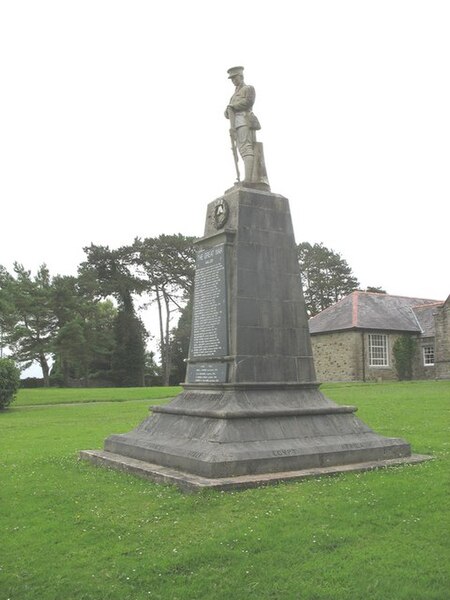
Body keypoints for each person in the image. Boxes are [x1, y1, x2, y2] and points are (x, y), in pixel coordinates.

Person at [224, 66, 262, 184]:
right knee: (241, 150)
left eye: (235, 78)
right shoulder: (234, 95)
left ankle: (248, 180)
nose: (233, 81)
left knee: (246, 148)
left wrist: (233, 107)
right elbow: (227, 112)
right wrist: (227, 110)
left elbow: (248, 102)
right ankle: (247, 178)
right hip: (235, 124)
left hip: (245, 120)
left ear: (241, 76)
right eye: (232, 79)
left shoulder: (248, 88)